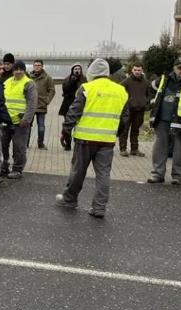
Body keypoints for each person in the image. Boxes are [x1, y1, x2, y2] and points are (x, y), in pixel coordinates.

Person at [55, 59, 129, 219]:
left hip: (85, 139)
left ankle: (70, 199)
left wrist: (65, 131)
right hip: (107, 140)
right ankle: (99, 208)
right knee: (103, 174)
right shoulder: (121, 90)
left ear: (91, 73)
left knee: (78, 171)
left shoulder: (86, 88)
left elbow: (74, 111)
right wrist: (116, 133)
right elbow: (124, 118)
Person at [0, 61, 37, 179]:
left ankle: (17, 169)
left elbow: (32, 104)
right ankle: (3, 166)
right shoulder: (7, 82)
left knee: (19, 147)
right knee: (2, 145)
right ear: (12, 70)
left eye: (21, 69)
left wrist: (26, 120)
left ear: (24, 70)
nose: (18, 71)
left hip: (21, 122)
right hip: (6, 120)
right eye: (16, 69)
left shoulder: (29, 83)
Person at [118, 64, 153, 157]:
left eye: (139, 70)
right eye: (135, 70)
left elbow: (149, 95)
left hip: (140, 109)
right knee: (124, 130)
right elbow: (119, 94)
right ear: (132, 71)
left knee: (135, 130)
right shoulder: (126, 82)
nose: (137, 72)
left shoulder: (146, 82)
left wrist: (146, 104)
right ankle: (123, 149)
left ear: (142, 71)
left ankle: (134, 149)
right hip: (128, 110)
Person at [58, 63, 86, 150]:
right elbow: (65, 90)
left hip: (80, 104)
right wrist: (72, 82)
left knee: (79, 125)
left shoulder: (84, 79)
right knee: (68, 124)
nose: (77, 70)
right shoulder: (68, 79)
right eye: (75, 69)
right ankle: (68, 143)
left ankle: (77, 143)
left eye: (78, 69)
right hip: (68, 104)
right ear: (72, 70)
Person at [30, 59, 56, 149]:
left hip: (41, 105)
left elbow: (52, 90)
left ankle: (40, 144)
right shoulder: (29, 77)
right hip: (30, 106)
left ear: (42, 66)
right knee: (27, 126)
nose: (37, 67)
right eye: (35, 65)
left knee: (41, 126)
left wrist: (47, 100)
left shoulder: (47, 77)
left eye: (39, 65)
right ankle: (25, 143)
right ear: (33, 66)